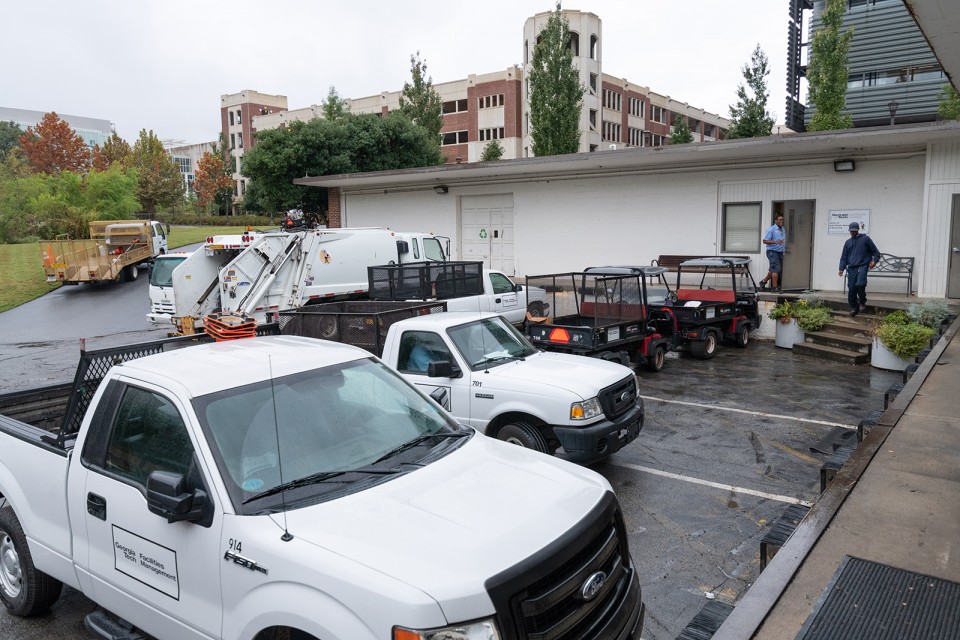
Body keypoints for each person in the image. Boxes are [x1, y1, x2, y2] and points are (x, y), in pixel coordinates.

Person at [838, 221, 881, 316]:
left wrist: (874, 261)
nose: (853, 232)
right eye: (851, 231)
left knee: (860, 284)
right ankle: (854, 308)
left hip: (863, 266)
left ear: (858, 230)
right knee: (852, 288)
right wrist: (841, 268)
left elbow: (876, 253)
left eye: (854, 231)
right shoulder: (848, 242)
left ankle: (862, 301)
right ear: (849, 231)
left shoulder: (866, 239)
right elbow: (844, 257)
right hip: (852, 268)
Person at [759, 215, 786, 292]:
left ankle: (763, 282)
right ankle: (774, 288)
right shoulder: (771, 229)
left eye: (782, 220)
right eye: (779, 220)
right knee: (776, 270)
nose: (781, 221)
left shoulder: (783, 229)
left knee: (773, 269)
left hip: (780, 252)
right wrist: (775, 242)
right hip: (772, 252)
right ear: (775, 221)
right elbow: (764, 241)